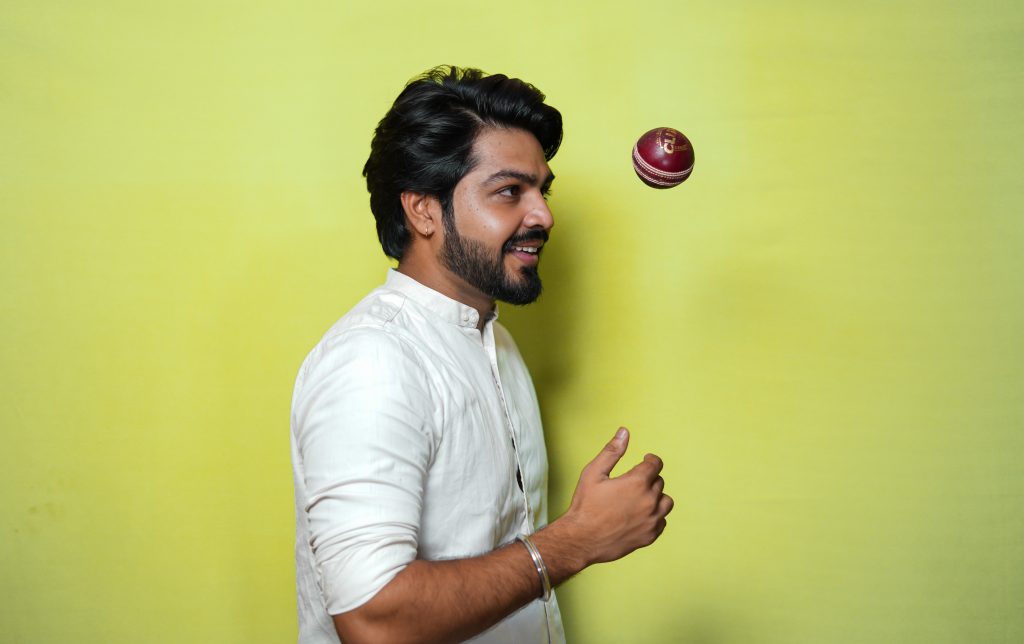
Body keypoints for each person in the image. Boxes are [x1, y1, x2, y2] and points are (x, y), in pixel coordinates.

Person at [290, 65, 674, 644]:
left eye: (543, 190)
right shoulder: (373, 362)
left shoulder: (496, 341)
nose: (542, 214)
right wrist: (577, 539)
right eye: (509, 191)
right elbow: (373, 620)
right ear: (422, 210)